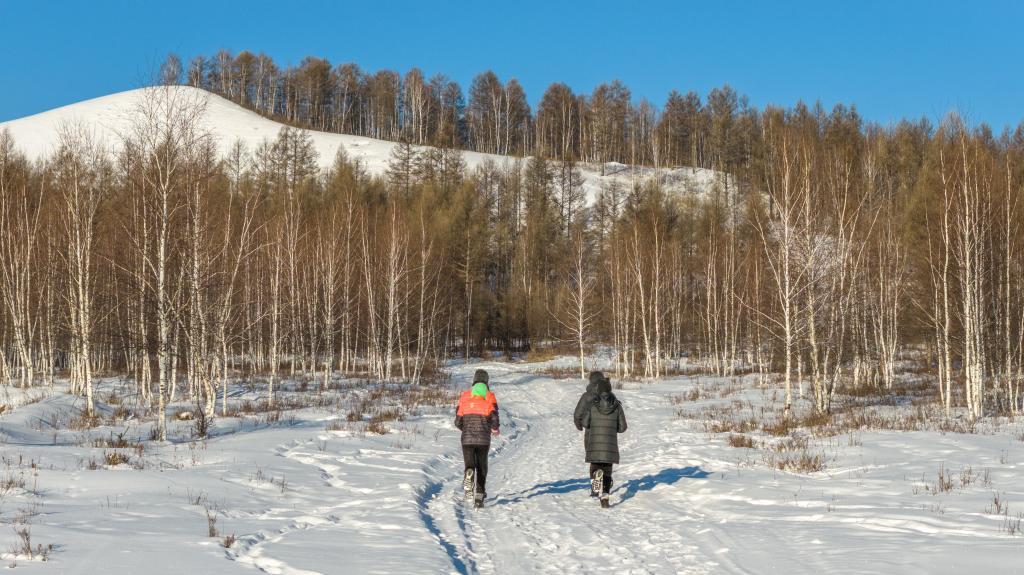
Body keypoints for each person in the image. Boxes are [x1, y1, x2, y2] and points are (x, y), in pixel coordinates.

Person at [454, 369, 499, 507]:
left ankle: (468, 478)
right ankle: (479, 496)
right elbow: (495, 416)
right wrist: (494, 429)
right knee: (481, 467)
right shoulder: (489, 398)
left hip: (467, 438)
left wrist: (466, 428)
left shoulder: (465, 397)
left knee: (469, 465)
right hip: (483, 439)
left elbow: (458, 420)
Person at [581, 377, 627, 508]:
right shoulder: (617, 405)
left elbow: (585, 423)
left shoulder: (593, 405)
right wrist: (613, 428)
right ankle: (605, 495)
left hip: (595, 443)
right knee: (607, 472)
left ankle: (595, 479)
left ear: (598, 390)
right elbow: (623, 427)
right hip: (610, 445)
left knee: (595, 466)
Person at [574, 371, 604, 496]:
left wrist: (579, 425)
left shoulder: (586, 396)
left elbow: (577, 415)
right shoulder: (609, 395)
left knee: (593, 460)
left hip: (591, 433)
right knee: (605, 460)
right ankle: (603, 482)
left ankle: (595, 487)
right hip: (606, 433)